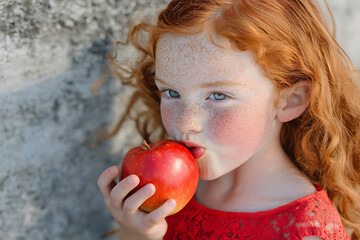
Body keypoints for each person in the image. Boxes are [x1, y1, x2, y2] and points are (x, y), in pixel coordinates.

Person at [96, 0, 360, 239]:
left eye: (218, 96)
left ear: (291, 100)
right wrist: (137, 233)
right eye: (172, 92)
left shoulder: (305, 231)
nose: (186, 122)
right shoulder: (163, 191)